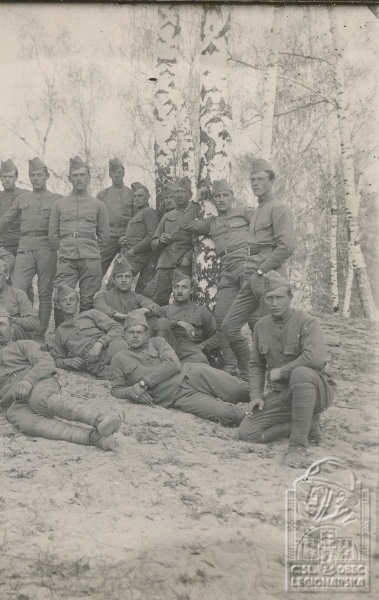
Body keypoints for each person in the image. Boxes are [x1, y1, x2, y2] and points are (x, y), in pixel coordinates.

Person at [0, 306, 120, 451]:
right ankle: (94, 438)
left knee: (40, 399)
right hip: (14, 404)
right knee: (28, 424)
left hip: (38, 385)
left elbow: (46, 361)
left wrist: (28, 380)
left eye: (2, 324)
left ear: (11, 329)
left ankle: (99, 419)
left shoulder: (24, 345)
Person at [237, 272, 335, 468]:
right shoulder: (261, 326)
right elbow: (256, 364)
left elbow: (314, 358)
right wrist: (256, 395)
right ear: (264, 300)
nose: (274, 303)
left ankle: (297, 447)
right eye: (269, 298)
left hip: (317, 392)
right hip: (283, 394)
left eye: (279, 297)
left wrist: (282, 372)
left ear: (290, 297)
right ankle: (305, 424)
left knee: (300, 373)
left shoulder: (307, 322)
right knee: (247, 433)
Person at [222, 159, 296, 383]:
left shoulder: (278, 208)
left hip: (270, 276)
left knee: (271, 333)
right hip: (253, 274)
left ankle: (277, 383)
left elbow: (287, 246)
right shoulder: (257, 211)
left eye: (260, 179)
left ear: (271, 181)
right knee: (229, 326)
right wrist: (254, 271)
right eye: (252, 179)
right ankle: (250, 374)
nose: (255, 183)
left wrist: (263, 270)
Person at [108, 313, 248, 426]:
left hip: (193, 374)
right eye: (131, 332)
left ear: (146, 334)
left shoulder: (157, 342)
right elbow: (116, 390)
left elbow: (173, 364)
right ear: (124, 334)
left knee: (238, 389)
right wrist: (133, 393)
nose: (135, 336)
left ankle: (260, 399)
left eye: (139, 332)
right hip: (178, 397)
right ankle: (255, 420)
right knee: (227, 414)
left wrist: (143, 384)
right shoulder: (119, 359)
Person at [179, 178, 254, 376]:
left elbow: (265, 226)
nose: (221, 199)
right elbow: (186, 224)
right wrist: (196, 199)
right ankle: (232, 366)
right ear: (213, 200)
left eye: (225, 195)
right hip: (227, 271)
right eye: (217, 196)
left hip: (247, 266)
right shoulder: (212, 222)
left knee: (256, 320)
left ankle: (262, 366)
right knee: (221, 320)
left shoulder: (244, 212)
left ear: (232, 198)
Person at [0, 157, 60, 340]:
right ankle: (16, 332)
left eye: (39, 175)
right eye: (32, 175)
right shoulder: (22, 199)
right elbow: (5, 220)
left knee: (44, 292)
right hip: (25, 248)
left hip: (47, 249)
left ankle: (39, 335)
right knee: (16, 289)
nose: (35, 178)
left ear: (47, 176)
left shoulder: (57, 200)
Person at [48, 156, 110, 319]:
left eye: (82, 175)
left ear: (89, 177)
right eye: (75, 175)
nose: (79, 179)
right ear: (69, 178)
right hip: (67, 258)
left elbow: (104, 236)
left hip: (91, 259)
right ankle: (62, 332)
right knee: (61, 296)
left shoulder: (98, 205)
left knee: (88, 300)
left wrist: (91, 249)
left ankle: (86, 331)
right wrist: (65, 248)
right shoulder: (59, 204)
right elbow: (53, 235)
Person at [50, 283, 128, 377]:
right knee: (125, 376)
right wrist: (68, 362)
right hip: (97, 366)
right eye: (63, 300)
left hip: (112, 349)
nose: (68, 303)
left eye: (72, 299)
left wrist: (99, 344)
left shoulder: (91, 314)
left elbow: (118, 328)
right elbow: (56, 358)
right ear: (58, 305)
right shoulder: (60, 331)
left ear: (78, 302)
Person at [93, 256, 172, 340]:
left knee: (158, 320)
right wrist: (119, 315)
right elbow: (98, 305)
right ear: (113, 279)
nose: (123, 280)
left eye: (127, 276)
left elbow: (155, 307)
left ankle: (149, 343)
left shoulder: (137, 297)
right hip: (114, 335)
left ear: (132, 279)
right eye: (120, 276)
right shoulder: (104, 295)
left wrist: (143, 310)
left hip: (135, 336)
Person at [149, 176, 194, 306]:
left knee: (183, 299)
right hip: (165, 263)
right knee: (159, 300)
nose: (179, 195)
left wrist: (188, 257)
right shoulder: (167, 216)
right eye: (176, 192)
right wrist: (160, 241)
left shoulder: (195, 214)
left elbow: (199, 242)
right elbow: (153, 243)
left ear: (190, 195)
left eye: (183, 191)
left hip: (183, 263)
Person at [162, 270, 218, 364]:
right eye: (176, 287)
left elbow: (218, 335)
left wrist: (202, 346)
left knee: (199, 361)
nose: (180, 291)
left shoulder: (201, 310)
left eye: (184, 287)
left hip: (192, 351)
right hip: (169, 350)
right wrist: (177, 323)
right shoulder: (164, 310)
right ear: (172, 289)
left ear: (191, 290)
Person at [0, 159, 26, 278]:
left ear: (16, 177)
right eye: (4, 176)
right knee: (2, 275)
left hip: (21, 242)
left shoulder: (25, 194)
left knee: (21, 277)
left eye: (10, 176)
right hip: (4, 243)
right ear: (0, 178)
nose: (7, 180)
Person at [96, 158, 134, 277]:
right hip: (109, 236)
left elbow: (136, 216)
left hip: (127, 236)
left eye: (119, 172)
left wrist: (129, 235)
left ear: (124, 173)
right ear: (110, 174)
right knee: (98, 268)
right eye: (114, 172)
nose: (117, 175)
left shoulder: (132, 193)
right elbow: (96, 217)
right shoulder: (103, 194)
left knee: (125, 270)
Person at [118, 182, 159, 278]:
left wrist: (133, 250)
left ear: (147, 197)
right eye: (135, 196)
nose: (137, 198)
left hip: (136, 256)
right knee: (114, 282)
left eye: (140, 196)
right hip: (126, 254)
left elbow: (151, 236)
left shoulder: (150, 212)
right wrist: (122, 239)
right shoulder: (137, 214)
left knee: (121, 279)